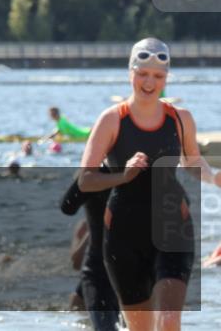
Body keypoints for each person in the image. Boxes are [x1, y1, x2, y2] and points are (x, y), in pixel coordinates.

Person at [78, 38, 221, 331]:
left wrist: (216, 177)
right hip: (123, 235)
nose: (149, 82)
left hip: (173, 227)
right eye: (142, 73)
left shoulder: (180, 119)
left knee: (169, 322)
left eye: (158, 76)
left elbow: (193, 163)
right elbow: (85, 180)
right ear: (130, 72)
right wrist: (123, 174)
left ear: (166, 78)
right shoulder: (111, 121)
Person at [61, 168, 122, 331]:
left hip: (117, 269)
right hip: (93, 275)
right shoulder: (83, 227)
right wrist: (90, 236)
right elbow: (75, 263)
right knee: (76, 302)